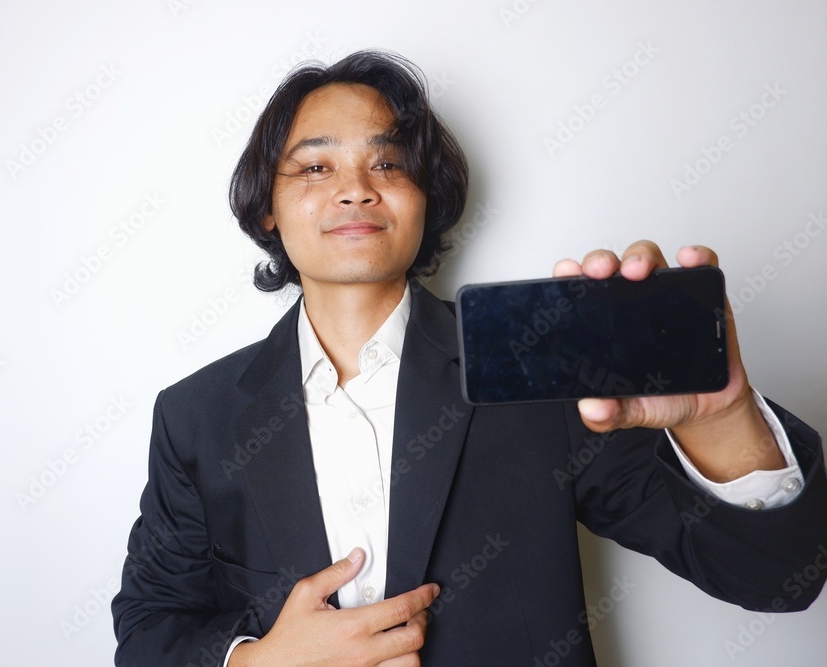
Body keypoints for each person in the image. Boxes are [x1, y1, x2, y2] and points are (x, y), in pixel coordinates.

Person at [111, 50, 827, 666]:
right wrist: (257, 660)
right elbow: (148, 630)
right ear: (268, 205)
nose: (355, 187)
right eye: (315, 166)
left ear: (427, 196)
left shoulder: (537, 371)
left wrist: (722, 418)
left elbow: (779, 576)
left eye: (388, 162)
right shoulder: (196, 417)